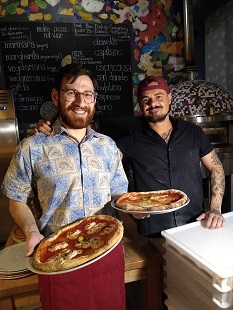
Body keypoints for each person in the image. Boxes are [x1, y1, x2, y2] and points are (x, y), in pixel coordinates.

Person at [1, 63, 128, 310]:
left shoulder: (108, 146)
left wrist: (133, 208)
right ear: (56, 96)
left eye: (88, 94)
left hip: (107, 252)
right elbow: (16, 198)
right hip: (56, 256)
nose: (81, 101)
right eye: (71, 92)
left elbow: (118, 194)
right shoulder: (32, 147)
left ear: (95, 99)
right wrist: (30, 232)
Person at [36, 75, 225, 238]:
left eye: (158, 96)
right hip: (153, 231)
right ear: (141, 106)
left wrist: (215, 208)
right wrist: (55, 133)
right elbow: (95, 157)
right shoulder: (131, 140)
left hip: (195, 224)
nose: (153, 104)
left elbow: (215, 167)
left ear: (169, 98)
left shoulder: (193, 133)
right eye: (146, 100)